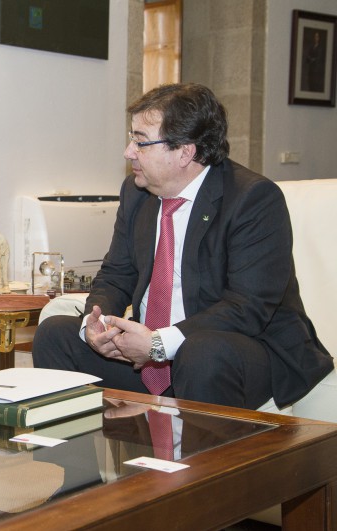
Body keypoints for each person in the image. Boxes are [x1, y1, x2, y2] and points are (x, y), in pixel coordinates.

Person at [33, 83, 333, 410]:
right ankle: (79, 461)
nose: (128, 151)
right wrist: (98, 321)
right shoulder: (137, 194)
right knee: (56, 335)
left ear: (184, 151)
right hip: (150, 353)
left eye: (141, 141)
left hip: (240, 348)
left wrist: (160, 344)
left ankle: (203, 463)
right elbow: (117, 274)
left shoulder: (252, 199)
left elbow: (248, 307)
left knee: (200, 352)